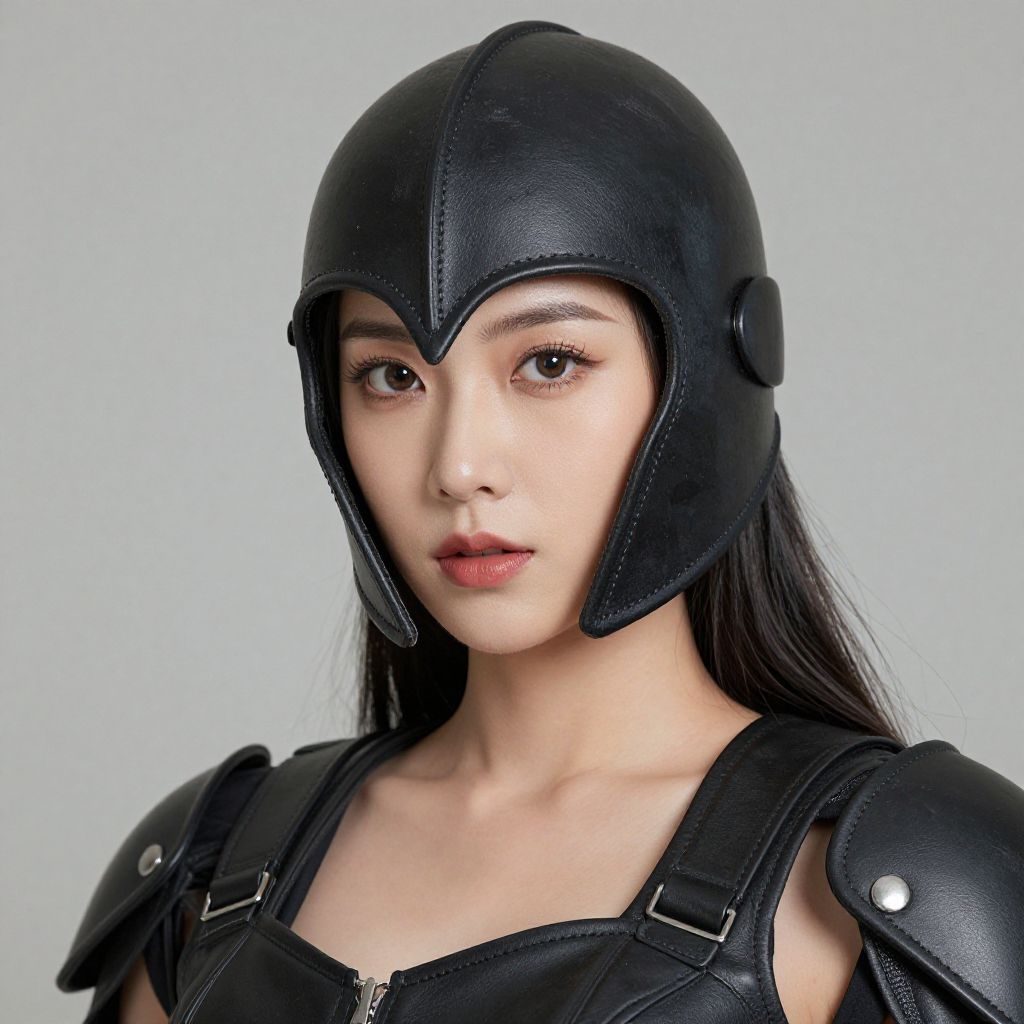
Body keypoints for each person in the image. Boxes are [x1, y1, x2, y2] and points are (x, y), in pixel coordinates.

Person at [56, 19, 1022, 1024]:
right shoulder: (207, 883)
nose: (458, 467)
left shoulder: (892, 897)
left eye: (549, 363)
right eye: (390, 376)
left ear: (704, 375)